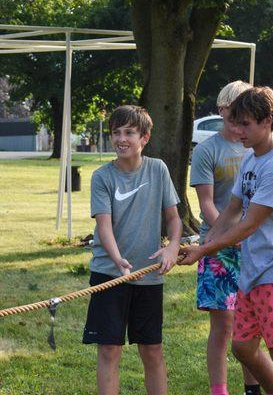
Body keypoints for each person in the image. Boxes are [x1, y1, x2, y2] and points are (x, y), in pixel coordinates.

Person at [179, 87, 273, 395]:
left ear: (268, 122)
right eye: (235, 123)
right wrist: (204, 242)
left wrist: (205, 249)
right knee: (242, 346)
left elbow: (249, 224)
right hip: (253, 271)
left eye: (245, 124)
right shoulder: (251, 158)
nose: (237, 130)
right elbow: (232, 209)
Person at [82, 105, 182, 395]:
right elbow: (104, 226)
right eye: (116, 132)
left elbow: (174, 218)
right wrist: (118, 262)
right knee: (110, 351)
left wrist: (172, 248)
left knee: (152, 350)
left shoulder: (158, 169)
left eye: (129, 132)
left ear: (145, 138)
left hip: (149, 277)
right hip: (109, 275)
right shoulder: (102, 176)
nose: (121, 139)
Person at [189, 80, 261, 395]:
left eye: (245, 117)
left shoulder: (257, 150)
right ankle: (220, 390)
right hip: (217, 247)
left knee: (250, 324)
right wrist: (231, 237)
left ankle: (252, 386)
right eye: (234, 116)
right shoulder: (207, 151)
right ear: (221, 111)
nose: (238, 124)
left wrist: (247, 235)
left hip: (254, 246)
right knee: (224, 325)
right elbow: (207, 203)